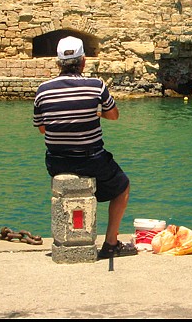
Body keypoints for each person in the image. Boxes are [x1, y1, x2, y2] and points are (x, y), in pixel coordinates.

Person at [33, 36, 137, 259]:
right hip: (92, 160)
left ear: (58, 63)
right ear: (83, 61)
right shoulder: (96, 85)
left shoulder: (43, 90)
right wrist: (96, 112)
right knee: (122, 187)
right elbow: (114, 115)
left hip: (56, 161)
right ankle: (111, 243)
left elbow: (42, 129)